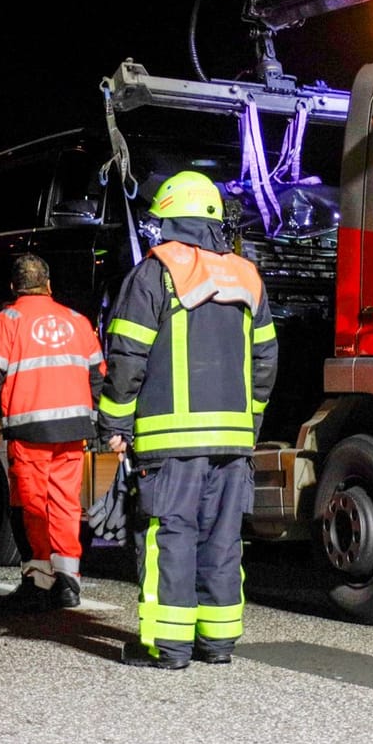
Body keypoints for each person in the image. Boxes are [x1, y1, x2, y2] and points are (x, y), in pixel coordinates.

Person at [97, 171, 277, 670]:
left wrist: (114, 424)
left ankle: (169, 646)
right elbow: (266, 362)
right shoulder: (247, 276)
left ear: (171, 219)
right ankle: (216, 643)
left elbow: (127, 356)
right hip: (234, 442)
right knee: (222, 540)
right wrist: (251, 423)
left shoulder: (154, 273)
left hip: (170, 443)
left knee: (171, 536)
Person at [0, 254, 104, 613]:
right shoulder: (77, 320)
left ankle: (38, 581)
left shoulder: (7, 320)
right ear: (49, 285)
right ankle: (68, 581)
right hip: (73, 428)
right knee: (65, 502)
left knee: (30, 505)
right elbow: (98, 374)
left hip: (30, 429)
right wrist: (99, 421)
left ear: (14, 288)